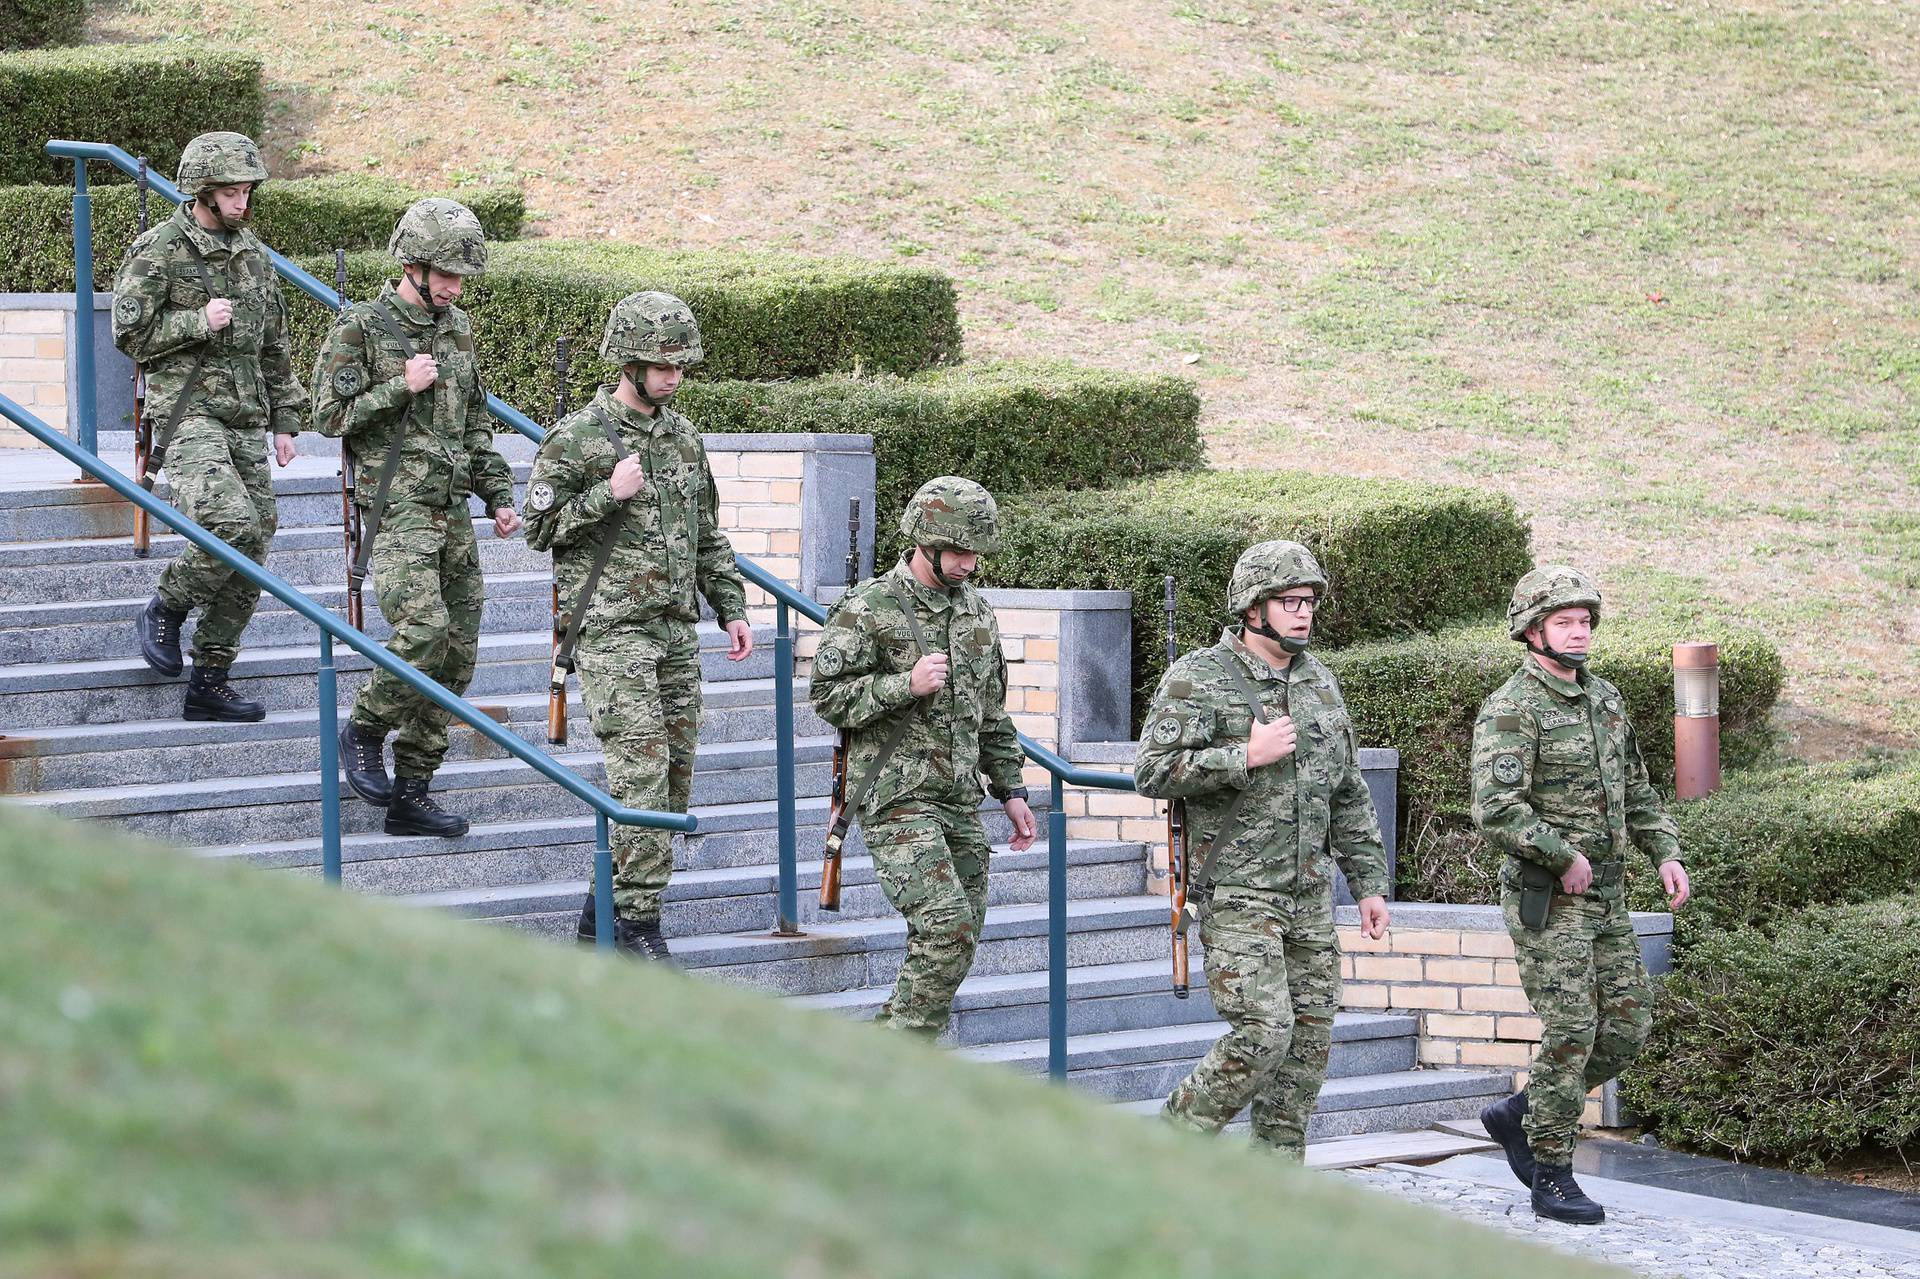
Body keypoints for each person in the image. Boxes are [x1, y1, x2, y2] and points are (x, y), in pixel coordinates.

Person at [1134, 540, 1391, 1160]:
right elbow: (1152, 771)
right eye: (1288, 602)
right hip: (1237, 891)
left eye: (1308, 602)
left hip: (1307, 895)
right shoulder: (1199, 677)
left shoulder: (1318, 682)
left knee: (1307, 1047)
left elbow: (1348, 791)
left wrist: (1369, 884)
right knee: (1264, 1032)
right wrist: (1242, 757)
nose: (1303, 614)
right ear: (1252, 608)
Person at [523, 292, 753, 959]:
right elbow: (538, 528)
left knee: (676, 774)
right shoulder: (580, 436)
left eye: (681, 365)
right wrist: (605, 494)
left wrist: (731, 607)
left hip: (676, 631)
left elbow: (707, 533)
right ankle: (638, 925)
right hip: (611, 631)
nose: (674, 376)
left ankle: (601, 913)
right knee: (643, 775)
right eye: (661, 364)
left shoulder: (683, 436)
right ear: (628, 360)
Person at [1471, 565, 1692, 1226]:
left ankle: (1520, 1112)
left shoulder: (1606, 700)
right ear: (1533, 629)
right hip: (1549, 901)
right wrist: (1560, 853)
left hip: (1608, 902)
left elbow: (1639, 789)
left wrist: (1667, 850)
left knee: (1626, 1029)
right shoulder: (1513, 706)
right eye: (1565, 620)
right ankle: (1551, 1172)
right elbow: (1495, 807)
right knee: (1571, 1028)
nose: (1580, 631)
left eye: (1585, 620)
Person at [311, 198, 520, 838]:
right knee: (423, 632)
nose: (457, 288)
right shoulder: (361, 328)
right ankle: (365, 728)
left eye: (462, 277)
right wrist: (401, 385)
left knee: (456, 658)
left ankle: (413, 791)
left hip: (452, 510)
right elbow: (328, 417)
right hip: (395, 508)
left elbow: (476, 422)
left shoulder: (457, 330)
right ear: (413, 265)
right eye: (448, 274)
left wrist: (499, 491)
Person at [809, 477, 1037, 1034]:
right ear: (924, 542)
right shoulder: (869, 608)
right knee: (945, 927)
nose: (968, 564)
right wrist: (901, 686)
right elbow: (826, 696)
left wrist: (1011, 790)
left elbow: (991, 714)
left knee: (961, 938)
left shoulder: (977, 614)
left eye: (976, 554)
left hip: (960, 798)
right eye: (959, 551)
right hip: (897, 795)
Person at [119, 131, 304, 721]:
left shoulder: (255, 254)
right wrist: (197, 320)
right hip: (188, 411)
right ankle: (167, 606)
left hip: (246, 415)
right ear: (201, 190)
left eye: (247, 190)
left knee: (258, 534)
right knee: (230, 521)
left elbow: (274, 343)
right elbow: (130, 335)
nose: (241, 201)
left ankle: (212, 674)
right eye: (230, 191)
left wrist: (286, 420)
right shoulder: (161, 248)